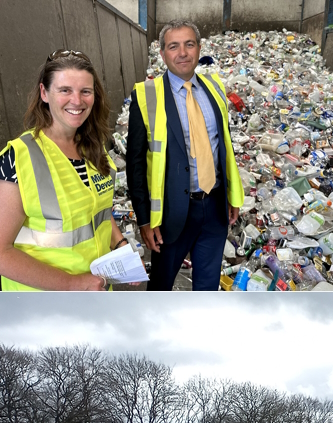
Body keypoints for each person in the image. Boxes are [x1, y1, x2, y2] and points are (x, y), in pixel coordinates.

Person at [127, 20, 243, 291]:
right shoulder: (146, 95)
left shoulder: (214, 87)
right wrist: (144, 220)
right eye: (173, 46)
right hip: (171, 214)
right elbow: (135, 164)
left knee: (207, 287)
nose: (182, 53)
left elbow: (222, 146)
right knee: (161, 288)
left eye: (189, 44)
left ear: (199, 48)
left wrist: (230, 195)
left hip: (214, 208)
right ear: (163, 53)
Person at [0, 51, 121, 291]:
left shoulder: (94, 148)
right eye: (65, 90)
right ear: (44, 93)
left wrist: (120, 244)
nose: (77, 101)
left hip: (94, 291)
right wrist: (73, 284)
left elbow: (96, 213)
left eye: (85, 91)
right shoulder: (18, 158)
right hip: (43, 306)